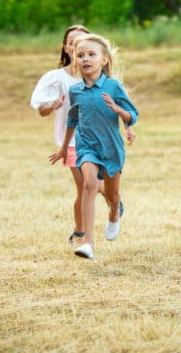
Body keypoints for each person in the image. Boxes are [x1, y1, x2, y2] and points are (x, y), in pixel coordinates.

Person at [30, 25, 135, 248]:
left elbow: (126, 111)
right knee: (86, 185)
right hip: (77, 143)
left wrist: (126, 123)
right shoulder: (62, 81)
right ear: (67, 49)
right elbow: (54, 114)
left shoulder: (109, 82)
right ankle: (84, 238)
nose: (82, 52)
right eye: (75, 46)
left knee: (97, 188)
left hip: (107, 144)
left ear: (102, 58)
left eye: (88, 50)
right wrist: (53, 106)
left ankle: (113, 205)